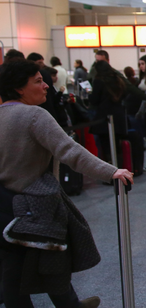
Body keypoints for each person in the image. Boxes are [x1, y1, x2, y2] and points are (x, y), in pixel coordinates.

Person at [0, 58, 133, 308]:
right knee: (38, 263)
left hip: (6, 206)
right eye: (38, 81)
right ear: (19, 87)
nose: (46, 86)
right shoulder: (34, 116)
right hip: (32, 205)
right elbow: (70, 151)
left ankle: (71, 303)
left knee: (17, 264)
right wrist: (111, 171)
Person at [89, 60, 129, 162]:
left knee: (105, 146)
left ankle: (111, 171)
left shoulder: (98, 81)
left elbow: (94, 100)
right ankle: (120, 168)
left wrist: (89, 94)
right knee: (117, 145)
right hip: (119, 115)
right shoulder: (118, 79)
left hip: (104, 117)